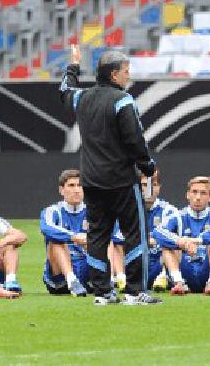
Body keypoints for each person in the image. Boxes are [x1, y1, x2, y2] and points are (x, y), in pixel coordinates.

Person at [59, 45, 160, 305]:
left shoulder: (83, 98)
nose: (128, 76)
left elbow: (64, 91)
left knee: (97, 235)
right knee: (134, 233)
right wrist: (148, 166)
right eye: (126, 71)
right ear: (114, 74)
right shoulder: (123, 101)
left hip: (91, 180)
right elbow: (135, 140)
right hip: (122, 181)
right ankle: (135, 292)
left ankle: (102, 292)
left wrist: (73, 66)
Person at [110, 168, 179, 293]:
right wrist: (150, 239)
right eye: (144, 185)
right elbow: (118, 237)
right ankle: (121, 278)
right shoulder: (125, 210)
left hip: (158, 262)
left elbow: (167, 237)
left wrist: (141, 238)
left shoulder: (169, 210)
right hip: (132, 262)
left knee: (172, 243)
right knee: (115, 245)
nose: (149, 190)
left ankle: (164, 277)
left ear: (159, 187)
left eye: (154, 185)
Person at [152, 176, 210, 295]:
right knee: (168, 245)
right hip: (185, 269)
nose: (198, 197)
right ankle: (179, 283)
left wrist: (198, 241)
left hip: (207, 268)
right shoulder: (178, 216)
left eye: (203, 193)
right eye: (194, 192)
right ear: (188, 194)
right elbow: (157, 232)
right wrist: (181, 241)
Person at [39, 169, 92, 298]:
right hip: (59, 275)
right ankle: (71, 280)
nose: (77, 190)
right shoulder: (52, 211)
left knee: (107, 242)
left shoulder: (93, 212)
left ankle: (110, 278)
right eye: (71, 185)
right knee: (55, 239)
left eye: (80, 186)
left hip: (87, 268)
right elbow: (46, 228)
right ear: (61, 190)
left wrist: (89, 241)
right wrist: (73, 236)